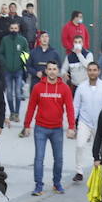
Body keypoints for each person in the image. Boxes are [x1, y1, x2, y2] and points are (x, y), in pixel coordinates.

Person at [22, 62, 76, 195]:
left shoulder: (64, 88)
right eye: (49, 69)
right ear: (46, 71)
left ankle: (57, 184)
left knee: (58, 159)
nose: (52, 72)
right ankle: (38, 185)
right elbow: (31, 107)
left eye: (54, 69)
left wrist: (71, 127)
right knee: (39, 158)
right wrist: (27, 125)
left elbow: (70, 108)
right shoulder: (38, 87)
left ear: (58, 71)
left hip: (57, 129)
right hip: (40, 128)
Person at [72, 62, 102, 182]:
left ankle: (99, 171)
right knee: (80, 145)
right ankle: (79, 171)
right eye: (90, 70)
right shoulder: (81, 87)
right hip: (84, 122)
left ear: (99, 71)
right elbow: (76, 106)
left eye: (94, 70)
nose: (92, 72)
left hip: (100, 123)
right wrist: (72, 124)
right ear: (87, 72)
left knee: (99, 150)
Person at [0, 22, 29, 120]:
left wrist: (22, 62)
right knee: (9, 92)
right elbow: (0, 52)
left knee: (18, 92)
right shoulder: (5, 40)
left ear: (18, 29)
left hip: (18, 70)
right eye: (12, 28)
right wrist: (4, 62)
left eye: (15, 28)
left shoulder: (23, 40)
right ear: (9, 29)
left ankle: (17, 113)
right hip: (7, 71)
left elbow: (26, 52)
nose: (14, 30)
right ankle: (12, 112)